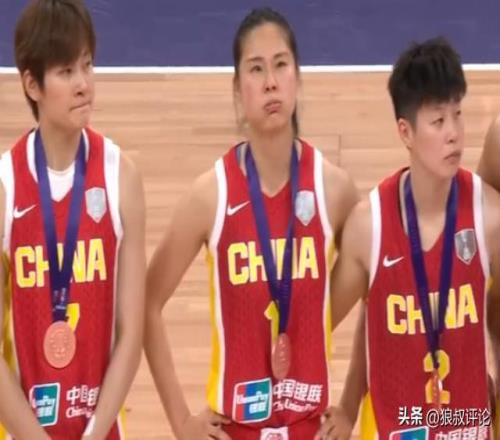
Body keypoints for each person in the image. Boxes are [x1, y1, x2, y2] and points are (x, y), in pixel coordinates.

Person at [144, 7, 359, 440]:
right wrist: (181, 421)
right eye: (256, 69)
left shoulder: (334, 190)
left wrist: (351, 404)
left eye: (281, 64)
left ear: (298, 76)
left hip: (310, 428)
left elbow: (380, 290)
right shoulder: (210, 195)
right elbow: (146, 302)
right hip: (236, 428)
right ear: (237, 88)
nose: (270, 82)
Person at [325, 37, 500, 439]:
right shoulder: (368, 227)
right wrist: (347, 407)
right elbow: (317, 328)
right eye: (438, 122)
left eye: (458, 115)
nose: (454, 133)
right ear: (405, 132)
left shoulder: (490, 220)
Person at [0, 1, 146, 438]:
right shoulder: (6, 188)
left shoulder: (122, 178)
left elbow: (131, 333)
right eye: (66, 72)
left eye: (87, 65)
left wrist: (95, 433)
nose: (84, 84)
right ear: (32, 85)